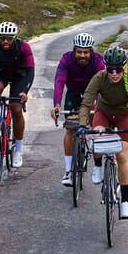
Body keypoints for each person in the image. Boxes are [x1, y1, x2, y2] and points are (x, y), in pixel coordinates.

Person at [78, 45, 128, 219]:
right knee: (97, 138)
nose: (114, 73)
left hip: (123, 114)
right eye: (110, 69)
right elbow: (86, 103)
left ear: (125, 67)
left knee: (121, 154)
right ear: (105, 67)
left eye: (118, 69)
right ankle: (98, 166)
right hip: (104, 112)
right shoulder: (100, 77)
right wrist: (83, 125)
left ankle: (125, 202)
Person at [50, 32, 105, 187]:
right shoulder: (66, 59)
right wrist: (57, 105)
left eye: (86, 52)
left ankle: (96, 155)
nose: (82, 55)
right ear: (74, 51)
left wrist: (98, 104)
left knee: (95, 124)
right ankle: (68, 171)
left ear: (91, 52)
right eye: (79, 52)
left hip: (92, 94)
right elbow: (59, 82)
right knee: (70, 130)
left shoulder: (98, 61)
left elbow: (102, 85)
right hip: (73, 93)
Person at [0, 21, 35, 168]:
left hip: (20, 76)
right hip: (1, 74)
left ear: (15, 37)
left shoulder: (24, 47)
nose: (5, 41)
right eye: (3, 37)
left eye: (9, 38)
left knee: (16, 109)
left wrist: (25, 91)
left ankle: (18, 150)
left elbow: (30, 71)